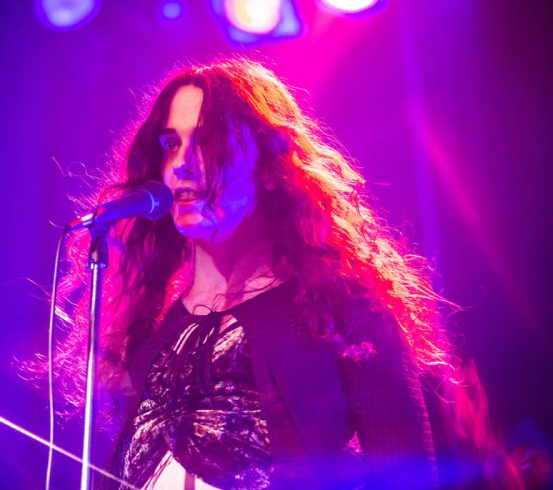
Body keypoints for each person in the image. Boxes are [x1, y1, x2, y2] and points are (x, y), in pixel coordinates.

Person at [29, 57, 514, 489]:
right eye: (171, 144)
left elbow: (404, 471)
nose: (181, 164)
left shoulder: (342, 309)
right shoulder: (153, 333)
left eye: (208, 142)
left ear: (267, 165)